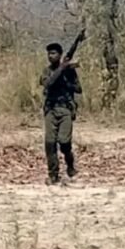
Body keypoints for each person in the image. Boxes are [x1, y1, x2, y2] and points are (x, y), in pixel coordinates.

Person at [39, 43, 82, 185]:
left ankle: (70, 165)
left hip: (65, 110)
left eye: (54, 53)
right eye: (49, 53)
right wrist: (61, 69)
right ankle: (53, 175)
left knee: (64, 142)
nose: (50, 56)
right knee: (50, 142)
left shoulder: (69, 71)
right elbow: (48, 84)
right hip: (51, 110)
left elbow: (78, 89)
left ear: (60, 55)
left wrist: (66, 82)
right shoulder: (47, 71)